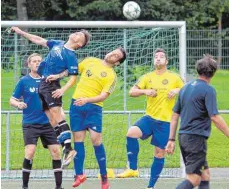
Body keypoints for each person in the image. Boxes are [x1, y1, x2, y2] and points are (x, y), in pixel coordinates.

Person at [10, 26, 91, 167]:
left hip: (51, 86)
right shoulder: (58, 43)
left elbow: (73, 78)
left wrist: (63, 90)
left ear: (79, 44)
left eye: (80, 36)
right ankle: (66, 148)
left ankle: (69, 149)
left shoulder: (71, 56)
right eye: (77, 32)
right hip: (43, 85)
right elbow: (39, 40)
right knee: (51, 118)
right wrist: (21, 32)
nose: (76, 34)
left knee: (57, 116)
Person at [117, 48, 184, 189]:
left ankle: (151, 186)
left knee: (159, 154)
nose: (158, 58)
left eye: (161, 57)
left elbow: (187, 89)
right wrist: (145, 91)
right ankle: (133, 169)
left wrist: (177, 90)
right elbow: (132, 92)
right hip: (149, 118)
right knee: (131, 133)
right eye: (156, 57)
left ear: (166, 61)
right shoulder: (147, 77)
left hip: (166, 122)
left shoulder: (174, 77)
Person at [166, 54, 229, 189]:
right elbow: (215, 117)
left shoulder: (185, 88)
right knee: (194, 179)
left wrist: (171, 139)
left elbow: (175, 114)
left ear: (198, 70)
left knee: (205, 174)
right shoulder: (208, 90)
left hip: (184, 137)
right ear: (213, 73)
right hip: (195, 139)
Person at [69, 47, 126, 189]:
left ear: (117, 62)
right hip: (76, 105)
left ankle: (104, 177)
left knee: (96, 140)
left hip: (93, 108)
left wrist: (87, 100)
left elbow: (103, 96)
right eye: (113, 51)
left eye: (116, 56)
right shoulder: (90, 60)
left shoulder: (111, 76)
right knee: (78, 140)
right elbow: (73, 71)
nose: (113, 54)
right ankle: (79, 174)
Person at [10, 53, 63, 189]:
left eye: (39, 61)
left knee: (56, 151)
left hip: (49, 123)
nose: (37, 63)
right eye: (34, 61)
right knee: (30, 152)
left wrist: (60, 115)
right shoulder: (24, 81)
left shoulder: (49, 80)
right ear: (29, 64)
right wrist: (18, 104)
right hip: (30, 123)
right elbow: (12, 99)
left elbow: (57, 101)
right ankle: (25, 186)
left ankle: (58, 186)